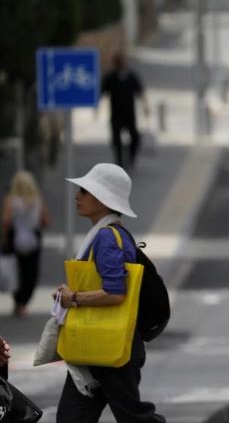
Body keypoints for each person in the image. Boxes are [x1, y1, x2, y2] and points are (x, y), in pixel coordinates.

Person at [55, 163, 164, 423]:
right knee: (72, 418)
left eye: (84, 191)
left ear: (103, 199)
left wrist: (74, 298)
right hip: (98, 345)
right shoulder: (106, 235)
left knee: (134, 418)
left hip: (112, 346)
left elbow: (116, 293)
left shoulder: (106, 238)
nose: (77, 196)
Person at [2, 170, 50, 317]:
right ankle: (23, 303)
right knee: (31, 273)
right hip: (33, 240)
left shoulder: (10, 200)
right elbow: (45, 221)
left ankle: (18, 301)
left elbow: (6, 221)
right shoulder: (37, 199)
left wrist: (4, 239)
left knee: (17, 271)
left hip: (15, 239)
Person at [101, 54, 149, 169]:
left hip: (129, 114)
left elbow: (140, 92)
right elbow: (102, 92)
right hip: (116, 114)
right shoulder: (111, 77)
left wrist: (146, 106)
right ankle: (119, 161)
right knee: (116, 139)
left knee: (135, 137)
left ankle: (131, 157)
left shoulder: (131, 76)